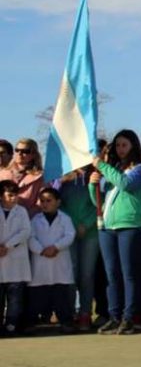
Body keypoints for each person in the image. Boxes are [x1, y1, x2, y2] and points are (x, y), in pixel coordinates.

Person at [89, 130, 141, 335]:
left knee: (128, 274)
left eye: (124, 145)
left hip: (130, 226)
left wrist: (101, 165)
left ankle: (129, 317)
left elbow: (126, 184)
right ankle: (114, 316)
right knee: (111, 274)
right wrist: (92, 185)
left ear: (133, 146)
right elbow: (98, 203)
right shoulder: (112, 170)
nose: (120, 149)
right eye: (117, 145)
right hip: (107, 227)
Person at [27, 187, 76, 334]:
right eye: (42, 201)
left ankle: (66, 322)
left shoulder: (65, 219)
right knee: (37, 296)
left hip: (59, 260)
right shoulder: (35, 220)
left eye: (49, 201)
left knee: (61, 296)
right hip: (41, 261)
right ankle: (30, 322)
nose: (45, 204)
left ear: (58, 202)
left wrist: (56, 247)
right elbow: (30, 238)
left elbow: (70, 235)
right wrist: (42, 250)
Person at [58, 168, 100, 331]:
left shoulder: (95, 177)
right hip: (69, 233)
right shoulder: (65, 181)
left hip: (91, 234)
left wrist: (87, 224)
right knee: (71, 274)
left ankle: (85, 313)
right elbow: (59, 204)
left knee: (87, 275)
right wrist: (75, 225)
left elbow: (99, 204)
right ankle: (70, 314)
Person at [0, 180, 31, 335]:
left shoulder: (22, 211)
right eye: (10, 195)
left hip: (16, 261)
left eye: (15, 195)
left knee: (15, 299)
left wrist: (7, 246)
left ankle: (11, 326)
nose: (14, 198)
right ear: (1, 196)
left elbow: (25, 231)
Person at [0, 138, 46, 217]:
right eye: (17, 150)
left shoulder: (40, 178)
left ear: (33, 154)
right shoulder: (3, 174)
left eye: (25, 151)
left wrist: (25, 216)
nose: (20, 153)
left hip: (28, 219)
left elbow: (41, 202)